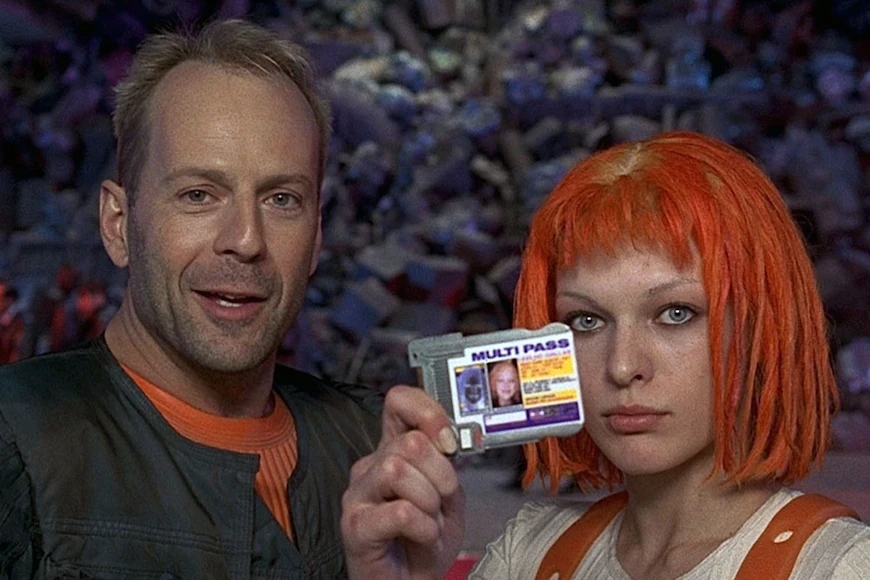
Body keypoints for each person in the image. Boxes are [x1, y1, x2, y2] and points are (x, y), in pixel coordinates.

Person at [341, 131, 870, 579]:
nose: (621, 367)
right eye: (587, 321)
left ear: (761, 325)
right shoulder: (529, 553)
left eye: (676, 313)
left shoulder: (837, 567)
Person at [0, 19, 418, 578]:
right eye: (199, 195)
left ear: (316, 237)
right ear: (118, 224)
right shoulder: (17, 439)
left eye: (281, 199)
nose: (245, 240)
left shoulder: (374, 448)